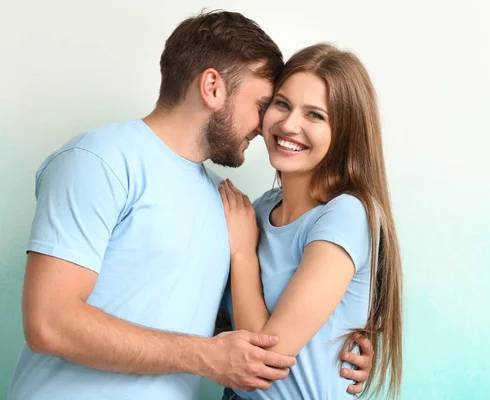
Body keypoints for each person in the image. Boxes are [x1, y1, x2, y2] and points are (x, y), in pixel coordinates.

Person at [8, 11, 372, 400]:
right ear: (213, 87)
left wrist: (337, 344)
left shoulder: (228, 205)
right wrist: (203, 356)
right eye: (268, 104)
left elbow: (217, 329)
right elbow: (49, 323)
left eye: (311, 113)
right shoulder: (100, 160)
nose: (269, 123)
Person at [218, 43, 403, 400]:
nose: (289, 125)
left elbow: (263, 361)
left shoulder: (347, 214)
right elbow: (228, 327)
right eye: (283, 104)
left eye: (315, 115)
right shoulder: (257, 211)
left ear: (344, 132)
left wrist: (243, 253)